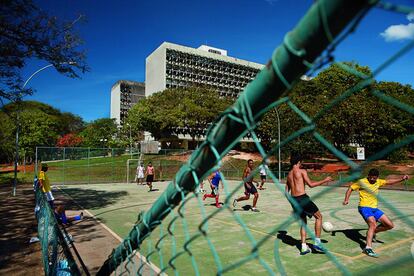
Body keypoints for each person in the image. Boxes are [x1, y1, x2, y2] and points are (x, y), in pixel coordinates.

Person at [343, 168, 409, 257]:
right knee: (372, 224)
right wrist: (346, 200)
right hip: (364, 207)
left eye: (374, 178)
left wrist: (402, 178)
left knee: (390, 225)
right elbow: (350, 188)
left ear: (377, 177)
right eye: (371, 178)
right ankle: (368, 248)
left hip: (374, 208)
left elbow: (389, 182)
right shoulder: (361, 182)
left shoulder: (378, 181)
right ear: (368, 176)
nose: (372, 180)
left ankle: (374, 232)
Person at [285, 153, 332, 255]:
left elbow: (286, 192)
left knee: (303, 223)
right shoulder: (302, 171)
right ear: (299, 162)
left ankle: (303, 247)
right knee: (319, 217)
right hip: (303, 198)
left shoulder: (288, 174)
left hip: (294, 200)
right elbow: (311, 185)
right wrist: (325, 180)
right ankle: (317, 243)